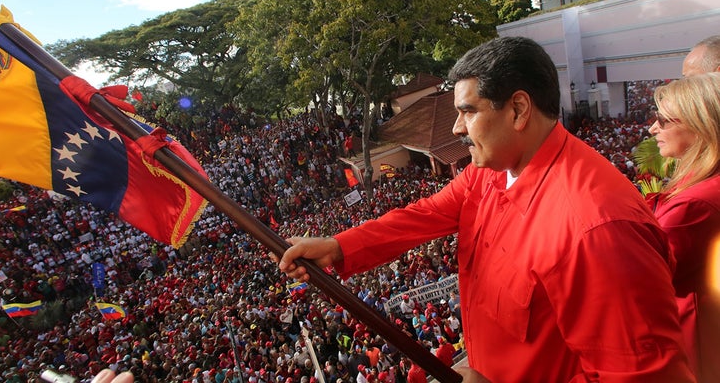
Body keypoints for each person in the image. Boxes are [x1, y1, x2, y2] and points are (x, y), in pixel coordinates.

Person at [277, 37, 694, 382]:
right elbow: (422, 215)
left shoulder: (597, 228)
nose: (457, 129)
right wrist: (336, 246)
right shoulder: (493, 170)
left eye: (468, 112)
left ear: (517, 109)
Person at [647, 72, 720, 382]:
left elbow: (638, 283)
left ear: (699, 125)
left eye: (663, 121)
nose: (652, 129)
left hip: (696, 354)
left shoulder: (694, 206)